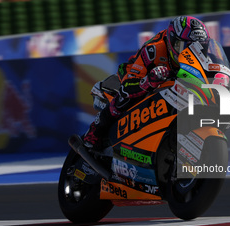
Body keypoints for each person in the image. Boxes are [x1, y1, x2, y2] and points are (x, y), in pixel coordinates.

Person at [83, 15, 210, 150]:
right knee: (124, 98)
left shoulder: (202, 58)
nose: (191, 53)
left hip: (171, 81)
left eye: (199, 48)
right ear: (173, 42)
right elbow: (128, 85)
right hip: (137, 77)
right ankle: (94, 132)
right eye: (185, 47)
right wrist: (147, 81)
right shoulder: (153, 49)